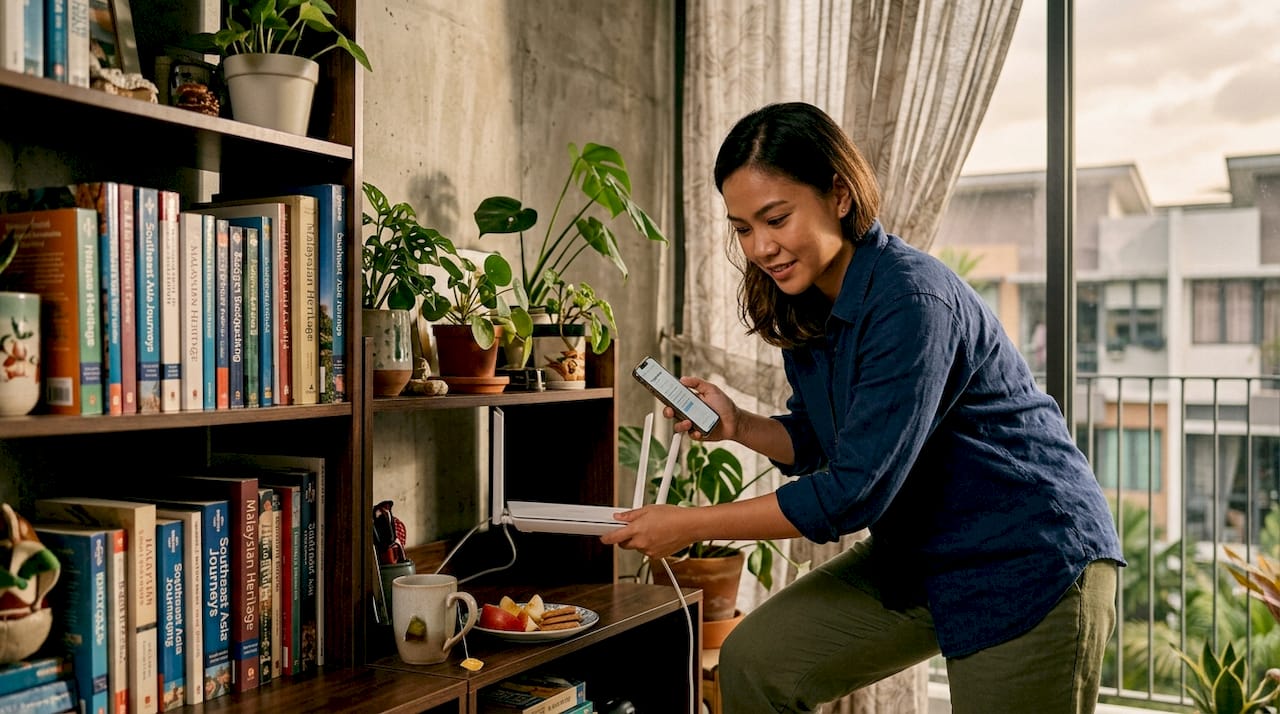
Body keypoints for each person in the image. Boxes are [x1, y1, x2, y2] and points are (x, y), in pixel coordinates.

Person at [600, 101, 1124, 714]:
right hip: (921, 554)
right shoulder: (808, 301)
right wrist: (739, 425)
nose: (761, 247)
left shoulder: (911, 300)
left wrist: (690, 524)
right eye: (742, 229)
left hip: (1027, 557)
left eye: (776, 218)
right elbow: (821, 436)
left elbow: (852, 493)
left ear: (840, 196)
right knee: (757, 663)